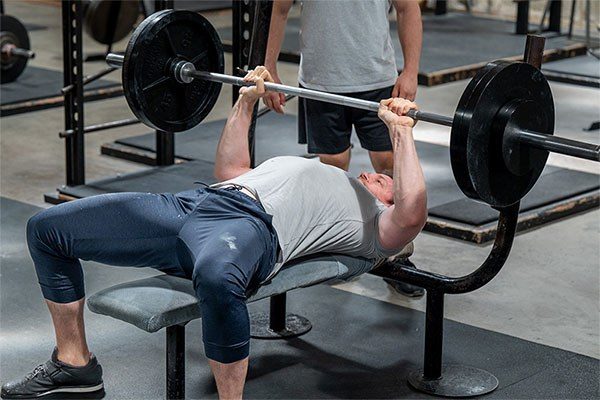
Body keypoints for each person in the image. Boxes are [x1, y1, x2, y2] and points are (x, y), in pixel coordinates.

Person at [1, 67, 427, 400]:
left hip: (251, 228)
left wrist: (400, 133)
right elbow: (229, 172)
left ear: (390, 197)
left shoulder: (373, 223)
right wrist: (245, 102)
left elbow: (411, 213)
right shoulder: (324, 173)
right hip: (194, 205)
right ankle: (74, 364)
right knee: (47, 229)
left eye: (385, 179)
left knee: (218, 278)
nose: (373, 174)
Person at [264, 0, 424, 296]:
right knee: (332, 166)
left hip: (378, 80)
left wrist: (411, 71)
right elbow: (279, 8)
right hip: (320, 82)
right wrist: (269, 65)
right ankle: (337, 247)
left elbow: (407, 9)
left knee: (389, 163)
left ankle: (399, 258)